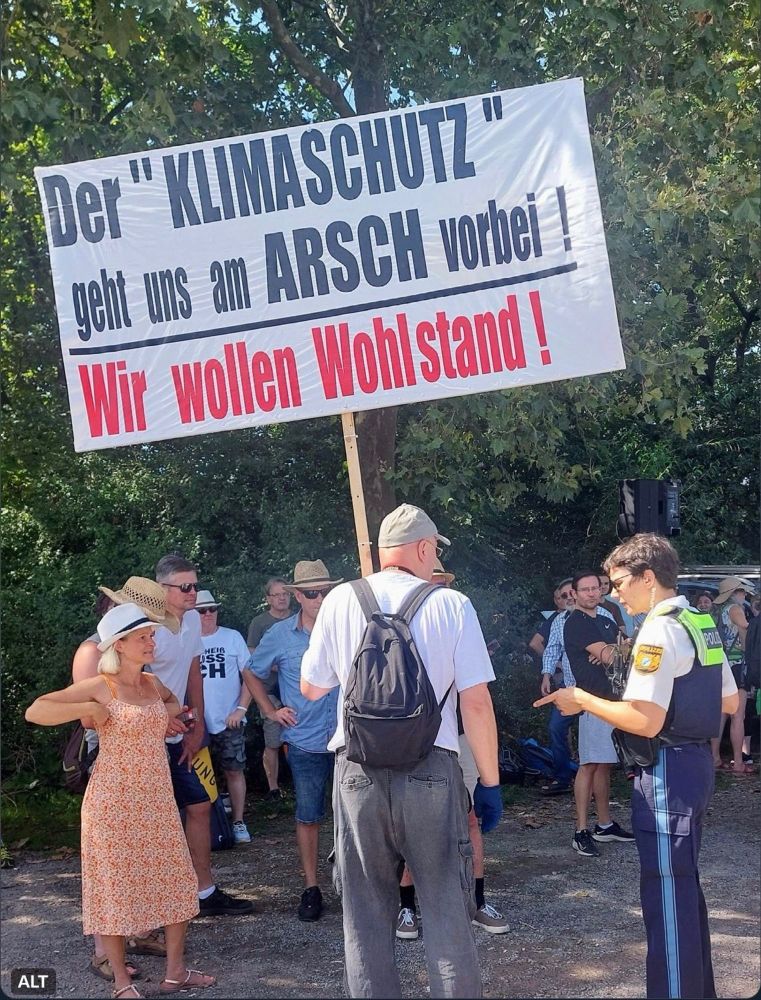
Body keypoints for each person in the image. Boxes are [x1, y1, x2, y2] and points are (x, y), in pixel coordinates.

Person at [300, 504, 502, 999]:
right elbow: (475, 702)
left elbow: (310, 687)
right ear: (425, 548)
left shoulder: (341, 599)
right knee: (445, 909)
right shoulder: (452, 604)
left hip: (357, 768)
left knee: (365, 913)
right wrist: (491, 783)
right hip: (431, 767)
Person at [535, 533, 739, 999]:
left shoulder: (658, 628)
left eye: (621, 582)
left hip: (666, 768)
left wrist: (581, 698)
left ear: (649, 578)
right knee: (682, 886)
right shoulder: (698, 620)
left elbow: (644, 720)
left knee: (666, 891)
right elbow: (728, 699)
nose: (613, 592)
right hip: (692, 765)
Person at [26, 604, 216, 999]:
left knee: (177, 881)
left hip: (157, 797)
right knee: (112, 889)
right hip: (112, 802)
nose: (152, 642)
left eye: (151, 635)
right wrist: (89, 709)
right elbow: (36, 709)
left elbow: (174, 704)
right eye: (143, 637)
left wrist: (165, 714)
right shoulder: (102, 684)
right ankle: (121, 983)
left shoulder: (150, 683)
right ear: (121, 644)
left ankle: (175, 972)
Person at [73, 577, 182, 980]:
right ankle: (105, 951)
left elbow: (148, 702)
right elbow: (90, 714)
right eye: (147, 622)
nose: (151, 631)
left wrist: (161, 720)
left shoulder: (139, 654)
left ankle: (138, 930)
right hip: (108, 758)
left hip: (143, 760)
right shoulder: (92, 649)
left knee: (145, 851)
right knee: (113, 859)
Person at [397, 560, 509, 940]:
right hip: (417, 743)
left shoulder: (458, 616)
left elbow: (477, 697)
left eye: (442, 580)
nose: (437, 586)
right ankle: (406, 908)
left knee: (472, 820)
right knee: (412, 828)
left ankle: (477, 902)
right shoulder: (401, 623)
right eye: (433, 579)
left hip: (460, 739)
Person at [153, 554, 253, 917]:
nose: (193, 593)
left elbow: (194, 668)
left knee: (199, 805)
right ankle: (159, 904)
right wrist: (160, 717)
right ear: (162, 589)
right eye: (185, 587)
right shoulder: (148, 626)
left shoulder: (192, 620)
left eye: (194, 585)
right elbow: (132, 679)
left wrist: (195, 723)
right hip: (145, 736)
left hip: (181, 731)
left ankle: (204, 891)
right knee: (156, 819)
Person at [243, 560, 341, 922]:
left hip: (350, 739)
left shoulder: (347, 628)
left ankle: (361, 888)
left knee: (359, 818)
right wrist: (270, 710)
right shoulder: (280, 635)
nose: (320, 598)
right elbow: (252, 673)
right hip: (305, 739)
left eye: (325, 591)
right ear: (298, 596)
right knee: (308, 815)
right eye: (312, 593)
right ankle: (312, 888)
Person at [562, 572, 634, 856]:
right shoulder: (576, 624)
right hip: (591, 701)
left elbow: (625, 649)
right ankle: (580, 831)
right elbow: (610, 656)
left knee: (605, 764)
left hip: (614, 701)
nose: (592, 593)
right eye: (586, 590)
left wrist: (616, 649)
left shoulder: (604, 618)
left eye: (596, 588)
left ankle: (604, 825)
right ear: (574, 594)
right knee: (589, 764)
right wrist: (614, 650)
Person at [197, 589, 254, 844]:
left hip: (228, 719)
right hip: (197, 723)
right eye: (202, 610)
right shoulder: (186, 641)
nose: (208, 614)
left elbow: (250, 677)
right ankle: (206, 826)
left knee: (234, 770)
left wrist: (240, 709)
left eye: (212, 609)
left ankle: (239, 821)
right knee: (199, 777)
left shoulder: (232, 638)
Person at [247, 578, 292, 801]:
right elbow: (252, 656)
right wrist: (279, 662)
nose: (282, 598)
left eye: (285, 593)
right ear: (268, 599)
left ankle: (299, 782)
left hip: (294, 686)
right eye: (277, 594)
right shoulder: (260, 623)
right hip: (269, 689)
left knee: (297, 735)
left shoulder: (298, 619)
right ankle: (273, 788)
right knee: (273, 738)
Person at [711, 577, 752, 776]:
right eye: (742, 592)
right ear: (735, 592)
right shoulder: (736, 609)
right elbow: (747, 629)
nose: (744, 595)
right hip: (737, 665)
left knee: (721, 714)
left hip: (722, 664)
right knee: (738, 715)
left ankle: (715, 757)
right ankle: (738, 762)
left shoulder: (718, 610)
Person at [527, 580, 574, 663]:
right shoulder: (554, 619)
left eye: (565, 595)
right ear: (555, 601)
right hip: (563, 670)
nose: (564, 599)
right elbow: (535, 643)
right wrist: (554, 663)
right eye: (559, 598)